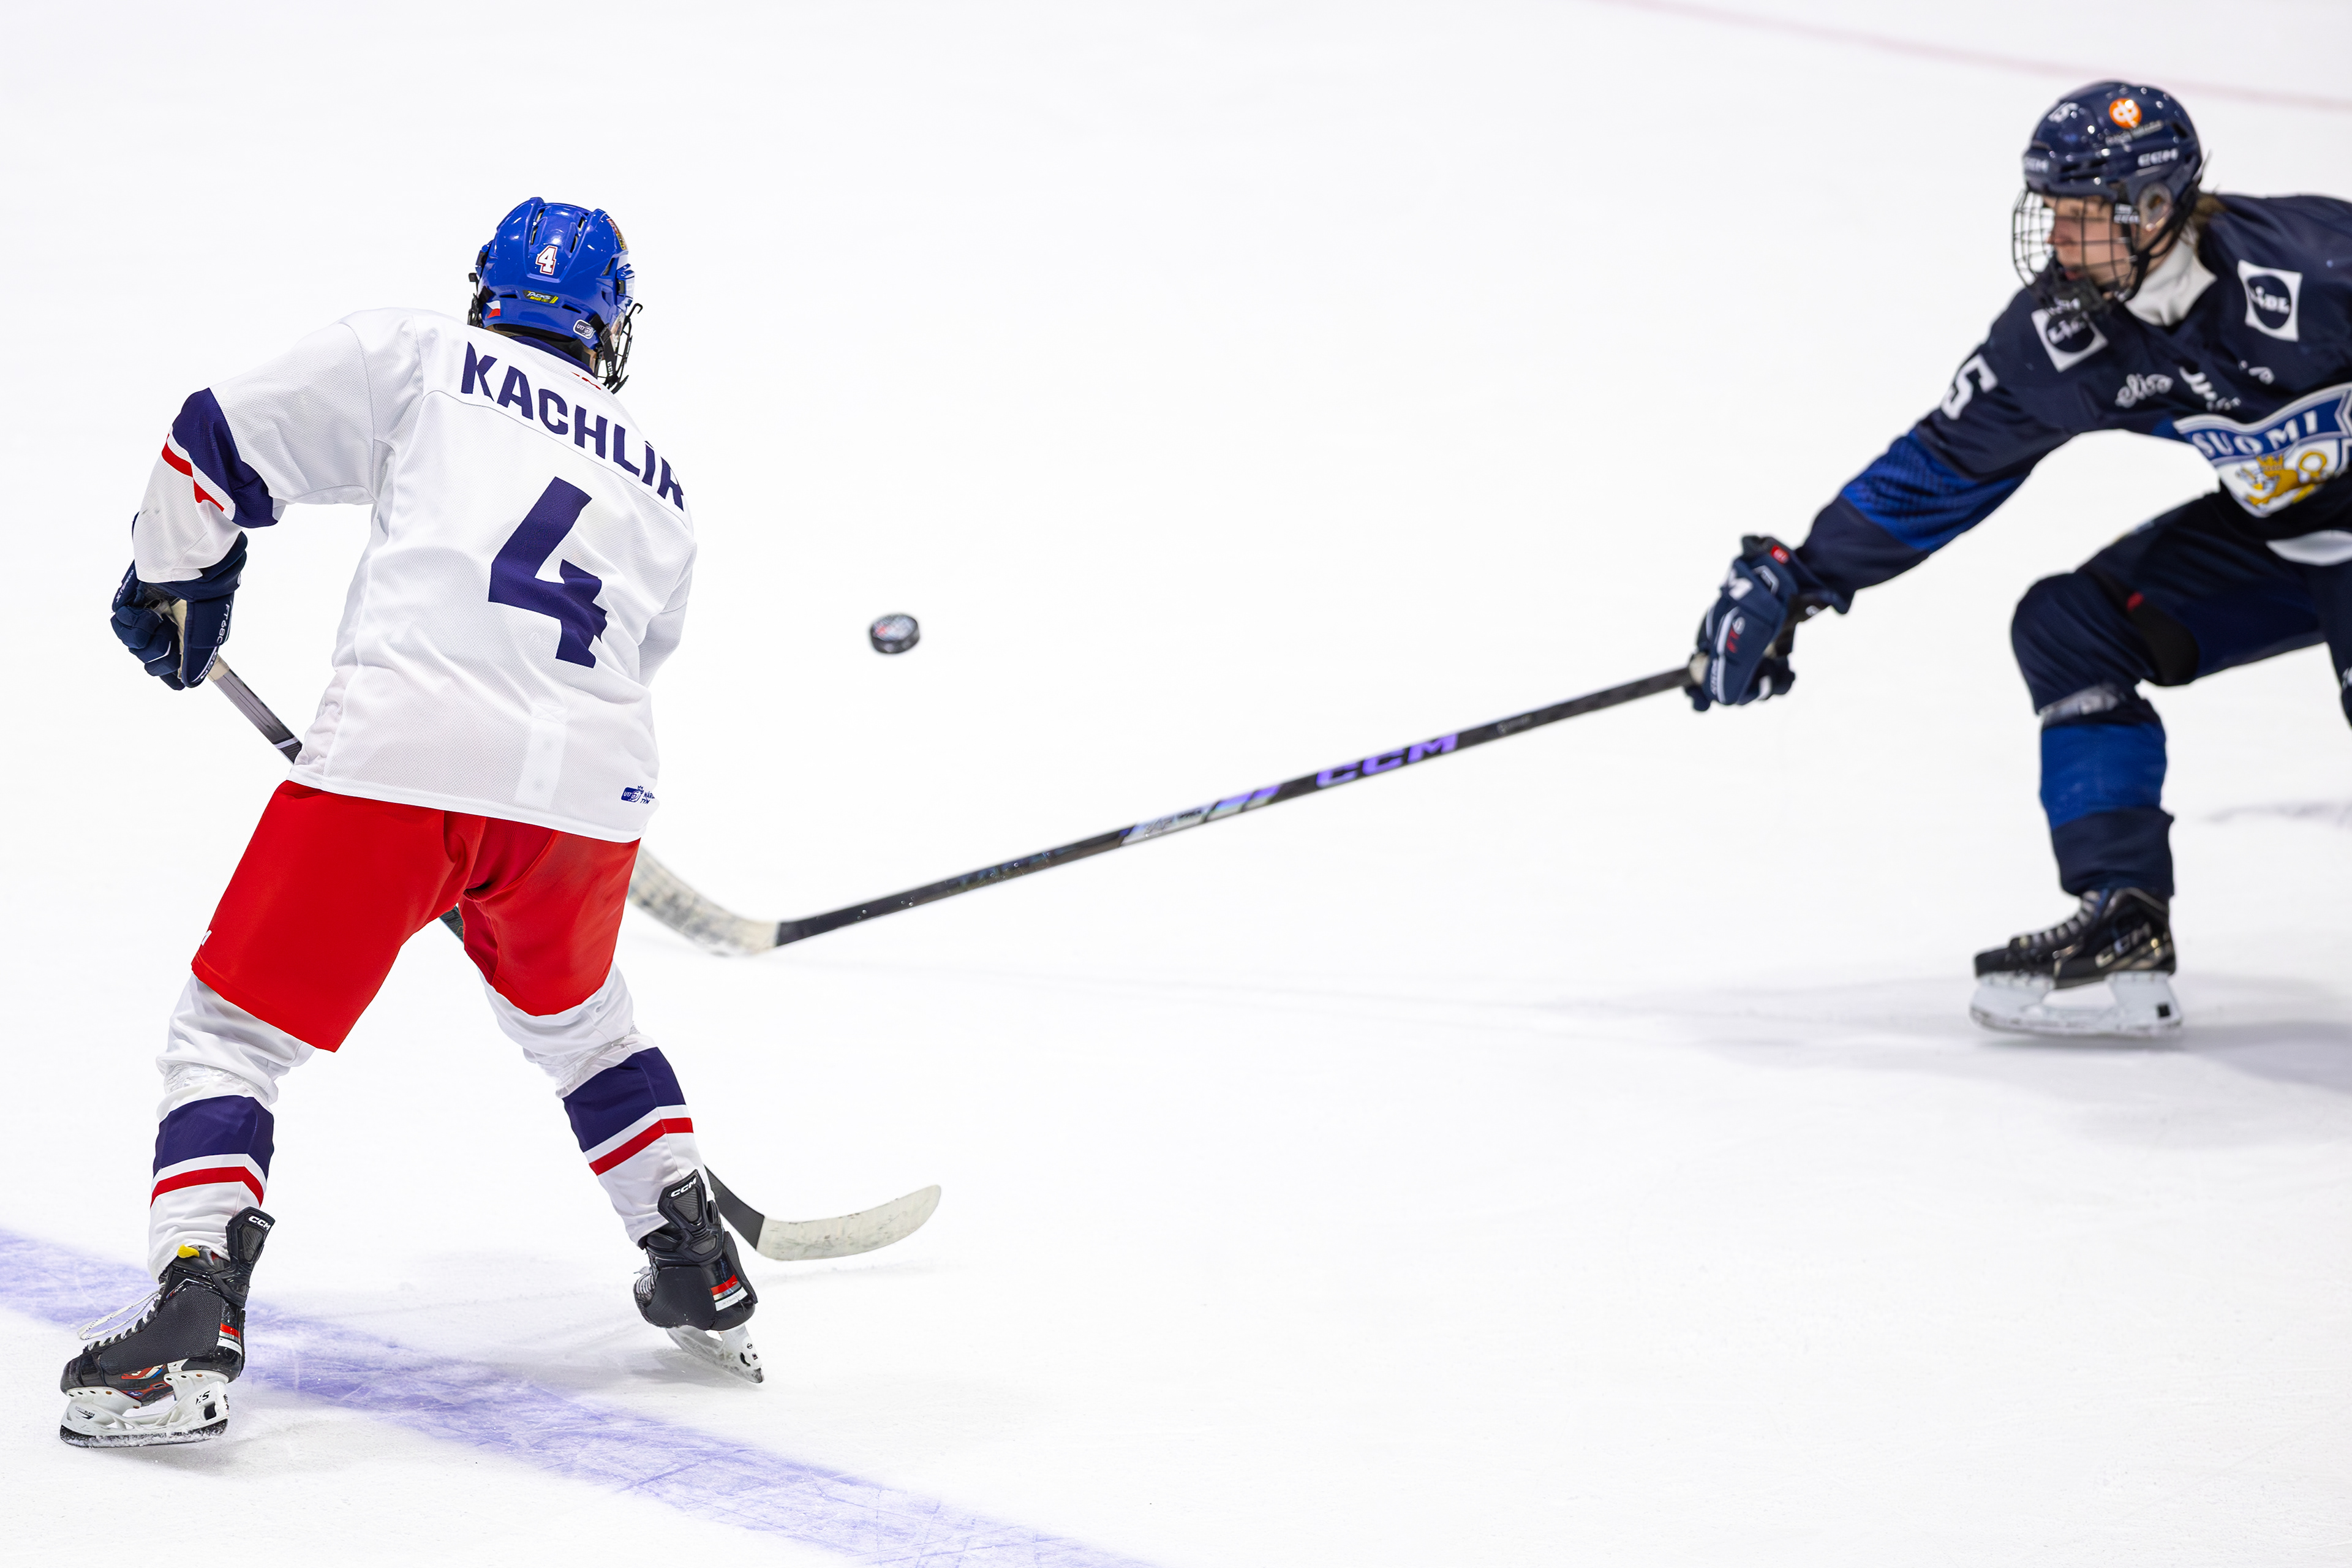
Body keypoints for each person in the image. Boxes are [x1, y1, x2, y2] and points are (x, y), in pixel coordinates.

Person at [61, 199, 760, 1449]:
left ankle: (194, 1306)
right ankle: (695, 1256)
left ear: (492, 292)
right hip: (584, 799)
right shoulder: (660, 483)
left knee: (230, 1035)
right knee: (588, 1030)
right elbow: (635, 655)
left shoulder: (422, 354)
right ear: (608, 328)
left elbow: (212, 435)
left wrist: (180, 576)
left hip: (401, 761)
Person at [1688, 83, 2352, 1038]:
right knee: (2070, 628)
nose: (2058, 242)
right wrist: (1800, 577)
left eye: (2082, 216)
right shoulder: (2070, 335)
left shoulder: (2316, 267)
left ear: (2154, 210)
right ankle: (2123, 911)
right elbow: (1945, 462)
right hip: (2287, 535)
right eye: (2052, 214)